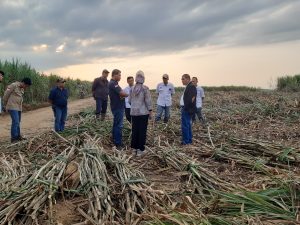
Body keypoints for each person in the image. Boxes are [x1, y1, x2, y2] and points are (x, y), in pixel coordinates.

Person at [129, 71, 152, 157]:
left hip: (134, 114)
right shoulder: (145, 88)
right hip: (143, 113)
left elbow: (129, 101)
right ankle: (140, 150)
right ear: (143, 78)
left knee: (135, 130)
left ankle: (134, 149)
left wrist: (135, 106)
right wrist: (150, 110)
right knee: (142, 131)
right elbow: (148, 101)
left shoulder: (132, 88)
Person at [3, 77, 32, 142]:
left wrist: (24, 106)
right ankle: (14, 138)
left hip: (18, 108)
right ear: (23, 83)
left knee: (18, 122)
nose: (26, 87)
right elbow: (6, 95)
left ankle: (18, 136)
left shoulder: (22, 89)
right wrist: (5, 105)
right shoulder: (13, 85)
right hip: (12, 107)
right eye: (26, 85)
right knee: (15, 122)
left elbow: (19, 99)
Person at [108, 69, 128, 149]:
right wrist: (128, 94)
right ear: (114, 75)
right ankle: (118, 143)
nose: (120, 77)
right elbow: (122, 93)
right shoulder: (113, 83)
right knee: (118, 125)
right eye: (119, 75)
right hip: (118, 107)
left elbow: (120, 93)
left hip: (116, 107)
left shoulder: (113, 83)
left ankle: (115, 140)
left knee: (116, 124)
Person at [180, 74, 197, 145]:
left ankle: (186, 141)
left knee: (185, 125)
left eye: (183, 79)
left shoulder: (191, 86)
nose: (182, 80)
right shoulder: (189, 86)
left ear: (187, 79)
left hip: (187, 109)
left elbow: (192, 99)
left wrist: (185, 108)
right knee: (188, 125)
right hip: (187, 109)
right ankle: (189, 140)